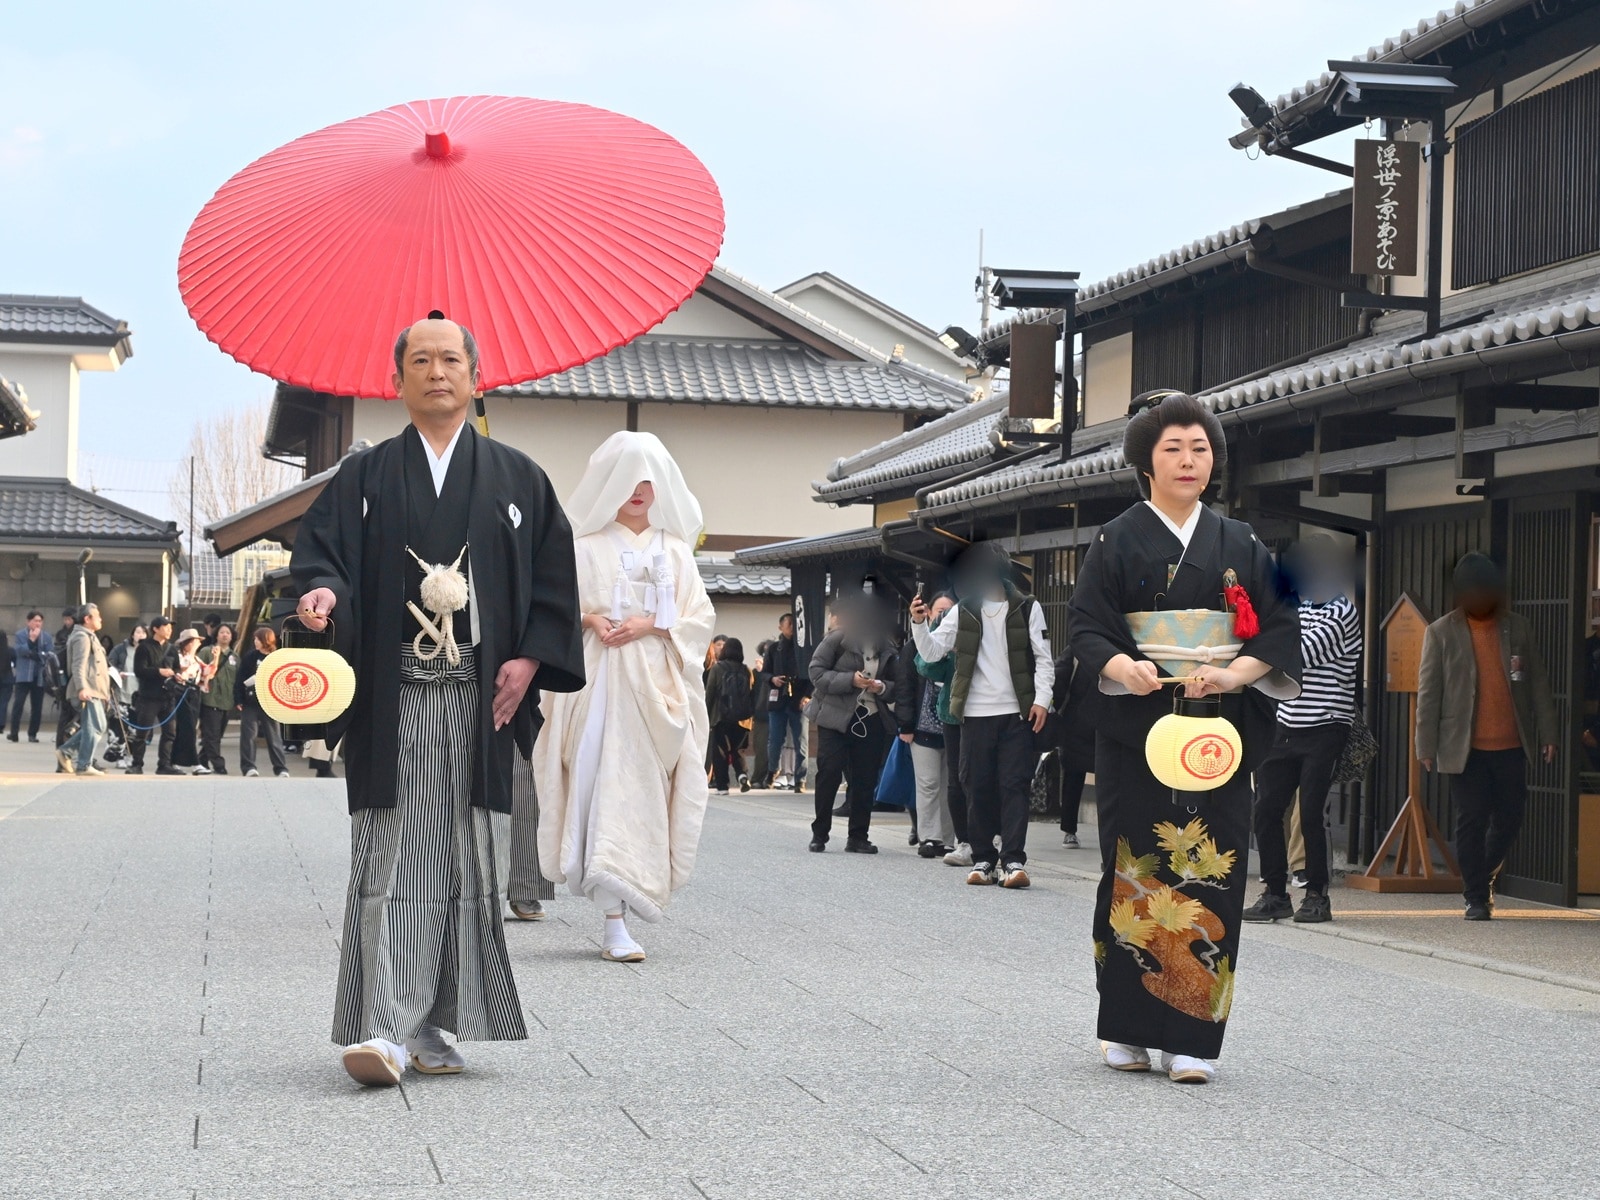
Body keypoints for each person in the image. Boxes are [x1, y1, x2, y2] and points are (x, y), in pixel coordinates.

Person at [293, 315, 584, 1087]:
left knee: (463, 858)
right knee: (391, 852)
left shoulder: (518, 478)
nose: (436, 372)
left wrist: (529, 658)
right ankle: (385, 1027)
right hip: (392, 699)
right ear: (396, 381)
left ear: (475, 376)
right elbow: (323, 557)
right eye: (419, 360)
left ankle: (430, 1026)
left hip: (478, 702)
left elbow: (554, 580)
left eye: (450, 358)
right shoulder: (364, 476)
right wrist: (322, 592)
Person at [1068, 390, 1300, 1085]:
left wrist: (1235, 674)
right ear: (1147, 462)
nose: (1188, 460)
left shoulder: (1242, 541)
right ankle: (1127, 1029)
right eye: (1173, 448)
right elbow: (1087, 624)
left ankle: (1193, 1039)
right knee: (1134, 867)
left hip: (1216, 728)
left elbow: (1282, 625)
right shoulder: (1114, 538)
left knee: (1214, 867)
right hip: (1139, 724)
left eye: (1200, 448)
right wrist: (1125, 667)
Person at [536, 431, 714, 965]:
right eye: (628, 478)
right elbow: (552, 608)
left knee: (643, 788)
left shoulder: (675, 550)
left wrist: (651, 624)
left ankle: (627, 894)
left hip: (656, 686)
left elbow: (699, 618)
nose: (638, 490)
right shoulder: (582, 547)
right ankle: (613, 918)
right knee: (595, 780)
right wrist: (590, 618)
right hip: (596, 682)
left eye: (648, 480)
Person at [1416, 552, 1558, 921]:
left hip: (1511, 743)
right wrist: (1425, 744)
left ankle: (1483, 872)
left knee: (1511, 817)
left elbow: (1538, 684)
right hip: (1464, 747)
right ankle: (1475, 897)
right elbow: (1429, 692)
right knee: (1472, 818)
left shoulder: (1517, 627)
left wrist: (1548, 733)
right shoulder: (1441, 632)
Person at [910, 542, 1054, 889]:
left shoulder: (1028, 607)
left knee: (1015, 785)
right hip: (974, 713)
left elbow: (1043, 657)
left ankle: (1013, 860)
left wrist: (1042, 700)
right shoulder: (964, 609)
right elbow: (931, 652)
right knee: (976, 786)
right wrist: (918, 623)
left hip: (1017, 712)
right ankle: (984, 859)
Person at [1244, 538, 1363, 926]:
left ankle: (1317, 895)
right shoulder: (1298, 607)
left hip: (1327, 725)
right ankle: (1275, 893)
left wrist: (1262, 639)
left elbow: (1298, 654)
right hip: (1286, 722)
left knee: (1312, 813)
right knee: (1266, 809)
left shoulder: (1342, 612)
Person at [806, 595, 899, 854]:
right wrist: (850, 680)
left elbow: (899, 685)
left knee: (864, 779)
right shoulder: (838, 639)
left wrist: (881, 687)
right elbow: (816, 672)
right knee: (829, 773)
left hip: (871, 718)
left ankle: (858, 836)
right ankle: (820, 833)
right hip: (835, 718)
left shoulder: (887, 647)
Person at [897, 593, 955, 858]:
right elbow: (905, 687)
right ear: (929, 612)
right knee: (928, 783)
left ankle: (949, 838)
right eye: (939, 610)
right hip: (922, 726)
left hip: (953, 725)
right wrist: (905, 724)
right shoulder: (914, 647)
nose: (943, 615)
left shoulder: (960, 643)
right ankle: (930, 837)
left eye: (949, 610)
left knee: (951, 784)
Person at [1045, 635, 1100, 850]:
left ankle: (1069, 831)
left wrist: (1056, 707)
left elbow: (1059, 677)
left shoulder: (1076, 646)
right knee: (1103, 777)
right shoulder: (1111, 645)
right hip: (1093, 722)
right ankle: (1108, 830)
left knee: (1073, 777)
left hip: (1078, 721)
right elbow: (1059, 677)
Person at [56, 604, 110, 776]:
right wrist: (82, 688)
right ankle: (84, 764)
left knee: (98, 726)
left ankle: (66, 751)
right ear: (87, 619)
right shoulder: (82, 637)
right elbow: (78, 665)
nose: (100, 619)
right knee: (93, 727)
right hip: (87, 689)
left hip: (95, 689)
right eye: (97, 616)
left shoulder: (89, 636)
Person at [762, 612, 812, 793]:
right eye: (789, 624)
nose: (792, 627)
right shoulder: (774, 649)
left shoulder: (805, 648)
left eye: (794, 624)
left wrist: (808, 695)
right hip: (778, 699)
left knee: (801, 742)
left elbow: (813, 675)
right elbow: (764, 672)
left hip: (799, 700)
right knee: (775, 741)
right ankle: (772, 771)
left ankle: (801, 779)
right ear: (780, 627)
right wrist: (772, 679)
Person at [235, 626, 290, 779]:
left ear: (265, 640)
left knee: (273, 736)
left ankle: (281, 768)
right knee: (248, 735)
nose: (255, 642)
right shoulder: (250, 656)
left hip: (270, 703)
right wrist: (238, 698)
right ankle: (248, 767)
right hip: (250, 701)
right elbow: (240, 678)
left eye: (257, 639)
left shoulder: (277, 657)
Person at [706, 637, 755, 794]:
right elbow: (751, 692)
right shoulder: (746, 670)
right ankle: (742, 775)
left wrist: (706, 714)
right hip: (742, 718)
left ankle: (722, 786)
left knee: (720, 751)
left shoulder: (717, 669)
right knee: (738, 749)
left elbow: (710, 692)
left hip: (720, 717)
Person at [128, 616, 175, 775]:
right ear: (155, 629)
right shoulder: (144, 647)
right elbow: (139, 671)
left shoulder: (171, 648)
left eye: (170, 628)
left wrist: (178, 674)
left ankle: (164, 764)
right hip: (148, 697)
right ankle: (136, 764)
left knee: (170, 732)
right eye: (166, 627)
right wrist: (159, 671)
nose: (169, 630)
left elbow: (176, 668)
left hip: (168, 697)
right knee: (142, 732)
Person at [196, 625, 239, 775]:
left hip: (227, 701)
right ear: (216, 635)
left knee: (216, 735)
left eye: (228, 633)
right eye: (222, 632)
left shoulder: (235, 657)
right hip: (209, 699)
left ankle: (201, 760)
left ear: (232, 636)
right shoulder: (206, 651)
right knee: (212, 735)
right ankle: (218, 764)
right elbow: (198, 672)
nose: (225, 635)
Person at [8, 611, 54, 743]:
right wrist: (31, 640)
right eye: (35, 621)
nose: (38, 624)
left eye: (40, 621)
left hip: (39, 676)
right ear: (28, 622)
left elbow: (49, 654)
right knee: (18, 704)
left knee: (37, 706)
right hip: (23, 675)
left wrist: (35, 655)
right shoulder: (20, 634)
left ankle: (32, 733)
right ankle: (14, 732)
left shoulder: (46, 636)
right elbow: (19, 651)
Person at [164, 629, 205, 774]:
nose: (197, 643)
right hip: (181, 692)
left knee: (190, 727)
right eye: (194, 641)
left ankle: (176, 760)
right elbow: (176, 671)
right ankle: (194, 762)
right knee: (186, 728)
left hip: (194, 693)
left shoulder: (197, 659)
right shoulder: (178, 656)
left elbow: (208, 673)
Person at [108, 625, 145, 710]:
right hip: (122, 688)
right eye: (138, 632)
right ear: (132, 635)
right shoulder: (121, 649)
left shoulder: (148, 651)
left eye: (144, 633)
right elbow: (110, 663)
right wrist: (118, 672)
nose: (141, 635)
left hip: (141, 692)